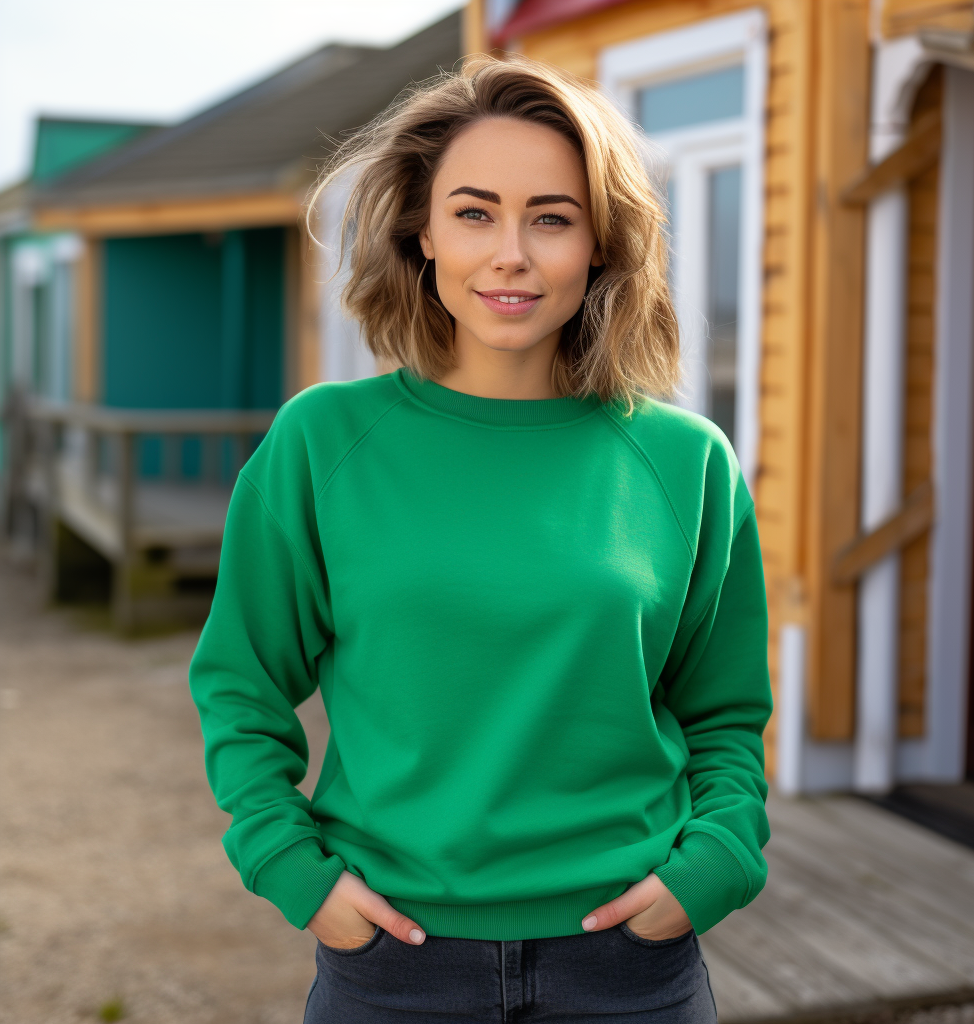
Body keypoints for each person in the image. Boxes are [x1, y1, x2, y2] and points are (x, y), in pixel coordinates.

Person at [189, 51, 772, 1023]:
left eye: (551, 217)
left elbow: (722, 713)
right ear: (422, 233)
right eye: (474, 212)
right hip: (393, 967)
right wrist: (295, 872)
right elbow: (241, 685)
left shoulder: (685, 463)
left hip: (628, 971)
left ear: (599, 244)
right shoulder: (323, 444)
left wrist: (714, 863)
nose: (512, 253)